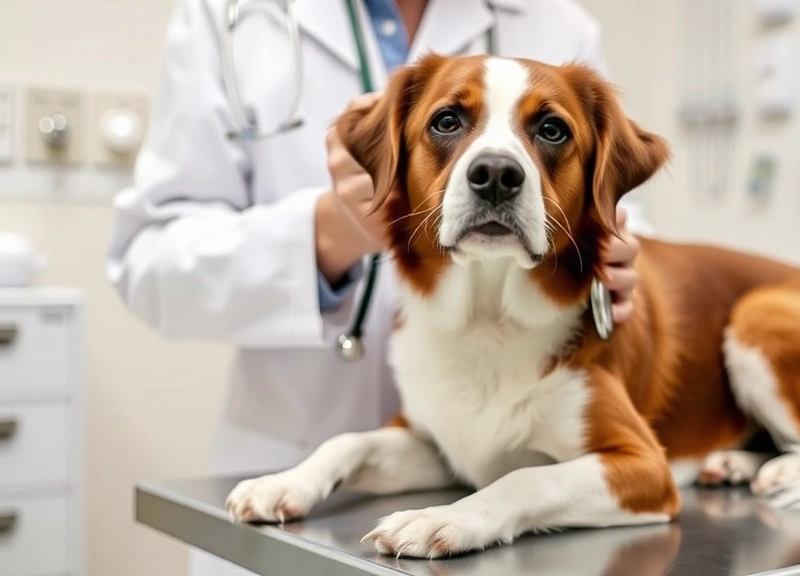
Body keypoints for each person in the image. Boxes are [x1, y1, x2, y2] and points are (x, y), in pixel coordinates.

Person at [106, 0, 656, 574]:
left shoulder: (560, 24)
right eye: (448, 122)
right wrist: (326, 234)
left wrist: (618, 262)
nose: (495, 169)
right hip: (297, 465)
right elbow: (148, 263)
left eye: (547, 129)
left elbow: (616, 210)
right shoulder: (228, 15)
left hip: (510, 510)